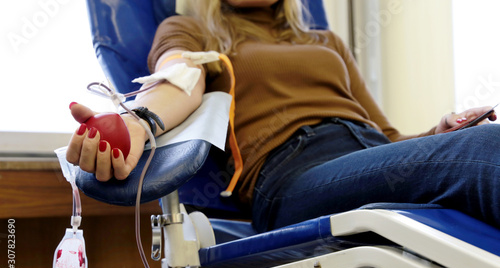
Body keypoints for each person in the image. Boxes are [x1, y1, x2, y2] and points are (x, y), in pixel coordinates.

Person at [66, 0, 500, 232]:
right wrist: (140, 121)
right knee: (486, 151)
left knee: (482, 146)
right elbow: (179, 79)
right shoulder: (192, 29)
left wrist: (438, 135)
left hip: (365, 157)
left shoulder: (324, 39)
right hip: (292, 178)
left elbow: (384, 137)